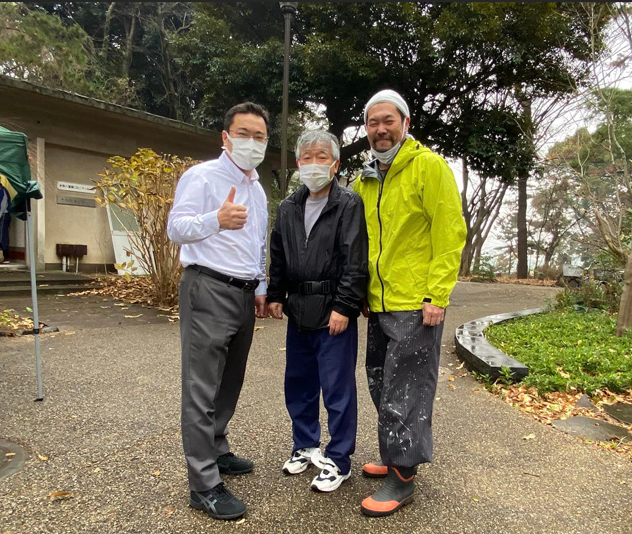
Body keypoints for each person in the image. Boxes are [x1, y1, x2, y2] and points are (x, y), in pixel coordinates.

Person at [353, 89, 467, 517]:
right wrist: (363, 293)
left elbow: (449, 233)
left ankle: (403, 479)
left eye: (388, 120)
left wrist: (437, 296)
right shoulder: (366, 177)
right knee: (381, 383)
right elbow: (363, 241)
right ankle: (391, 452)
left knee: (408, 392)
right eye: (372, 123)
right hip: (380, 303)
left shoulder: (428, 167)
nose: (380, 129)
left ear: (406, 122)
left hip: (416, 304)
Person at [167, 102, 271, 521]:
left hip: (244, 293)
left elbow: (257, 244)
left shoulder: (259, 189)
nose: (252, 142)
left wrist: (260, 287)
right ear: (225, 138)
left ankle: (217, 448)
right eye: (243, 133)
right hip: (207, 286)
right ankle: (204, 483)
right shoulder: (202, 176)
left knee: (230, 381)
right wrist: (216, 218)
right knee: (201, 387)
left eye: (260, 136)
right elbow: (177, 227)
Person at [266, 130, 368, 493]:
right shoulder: (288, 207)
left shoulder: (348, 204)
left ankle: (339, 460)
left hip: (333, 313)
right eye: (307, 157)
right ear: (297, 163)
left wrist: (344, 306)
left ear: (336, 164)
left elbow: (355, 261)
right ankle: (305, 445)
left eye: (321, 157)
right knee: (299, 383)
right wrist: (275, 294)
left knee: (337, 390)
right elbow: (278, 255)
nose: (314, 164)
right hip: (298, 310)